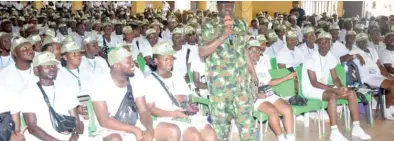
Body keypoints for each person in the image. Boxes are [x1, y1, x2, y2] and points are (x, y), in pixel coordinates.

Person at [90, 47, 181, 141]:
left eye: (132, 61)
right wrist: (134, 130)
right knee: (115, 139)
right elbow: (104, 120)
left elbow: (143, 111)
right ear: (117, 65)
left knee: (173, 131)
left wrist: (149, 129)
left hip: (134, 122)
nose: (133, 64)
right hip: (111, 129)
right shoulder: (99, 84)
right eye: (129, 62)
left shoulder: (136, 77)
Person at [199, 1, 257, 140]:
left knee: (247, 123)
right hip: (220, 87)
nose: (227, 9)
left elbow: (244, 50)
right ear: (217, 7)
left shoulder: (241, 24)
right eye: (223, 5)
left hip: (241, 84)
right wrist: (223, 36)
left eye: (230, 5)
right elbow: (202, 51)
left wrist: (253, 73)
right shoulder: (209, 25)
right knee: (220, 127)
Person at [302, 32, 371, 141]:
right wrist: (334, 89)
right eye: (322, 42)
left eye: (327, 42)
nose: (324, 45)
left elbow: (335, 78)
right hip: (311, 89)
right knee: (332, 96)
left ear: (330, 44)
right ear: (318, 43)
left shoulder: (330, 57)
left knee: (351, 93)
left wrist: (342, 87)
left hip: (324, 87)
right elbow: (314, 83)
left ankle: (357, 128)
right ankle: (334, 132)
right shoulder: (311, 58)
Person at [145, 41, 217, 141]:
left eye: (171, 58)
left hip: (184, 113)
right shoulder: (149, 80)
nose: (170, 61)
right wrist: (174, 113)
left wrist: (185, 98)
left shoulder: (177, 75)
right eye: (166, 59)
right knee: (194, 136)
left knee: (210, 133)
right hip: (167, 117)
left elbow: (189, 97)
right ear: (156, 61)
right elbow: (151, 109)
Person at [21, 51, 83, 141]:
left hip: (67, 136)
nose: (51, 69)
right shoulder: (29, 93)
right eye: (46, 66)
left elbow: (76, 120)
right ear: (36, 70)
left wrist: (75, 136)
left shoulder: (65, 88)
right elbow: (32, 128)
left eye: (53, 65)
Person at [248, 40, 295, 141]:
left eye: (257, 51)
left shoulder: (261, 65)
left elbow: (269, 82)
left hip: (267, 92)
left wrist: (286, 77)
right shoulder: (242, 67)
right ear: (246, 53)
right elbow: (240, 87)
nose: (255, 54)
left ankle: (291, 138)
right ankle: (281, 138)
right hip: (253, 97)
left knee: (287, 108)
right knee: (272, 111)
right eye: (252, 51)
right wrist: (256, 93)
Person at [350, 33, 394, 120]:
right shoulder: (355, 51)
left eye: (364, 41)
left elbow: (380, 66)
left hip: (377, 76)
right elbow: (342, 58)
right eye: (360, 42)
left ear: (367, 41)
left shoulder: (372, 50)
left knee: (392, 83)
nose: (362, 43)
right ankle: (387, 109)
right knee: (392, 86)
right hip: (367, 78)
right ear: (357, 43)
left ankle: (389, 107)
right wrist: (357, 55)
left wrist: (388, 75)